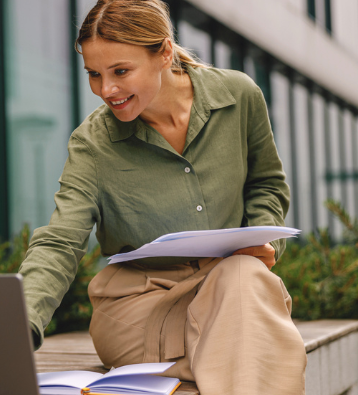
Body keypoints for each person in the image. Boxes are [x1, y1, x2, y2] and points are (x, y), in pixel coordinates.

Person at [17, 0, 307, 394]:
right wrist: (19, 323)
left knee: (245, 276)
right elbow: (60, 240)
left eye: (120, 71)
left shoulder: (239, 96)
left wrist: (260, 240)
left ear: (165, 52)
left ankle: (194, 368)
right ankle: (216, 363)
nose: (106, 90)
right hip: (139, 310)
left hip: (229, 291)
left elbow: (266, 184)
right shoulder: (92, 144)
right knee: (254, 343)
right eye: (94, 75)